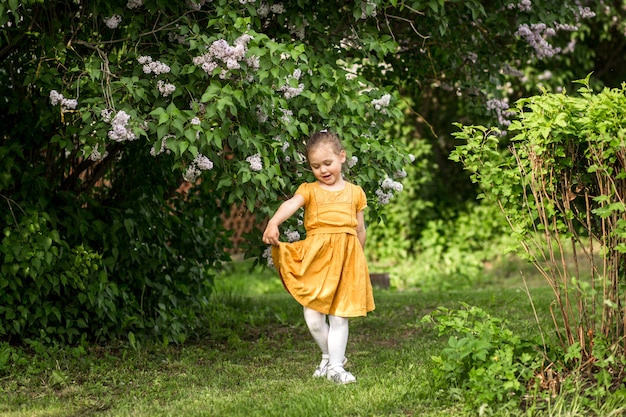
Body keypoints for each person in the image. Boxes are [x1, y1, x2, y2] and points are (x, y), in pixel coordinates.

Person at [262, 130, 375, 384]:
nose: (323, 170)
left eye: (328, 163)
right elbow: (291, 204)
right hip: (317, 259)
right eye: (316, 166)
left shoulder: (355, 192)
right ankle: (328, 355)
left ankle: (336, 367)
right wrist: (274, 222)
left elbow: (360, 229)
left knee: (338, 316)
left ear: (342, 157)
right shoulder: (310, 190)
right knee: (313, 318)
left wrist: (358, 259)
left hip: (347, 258)